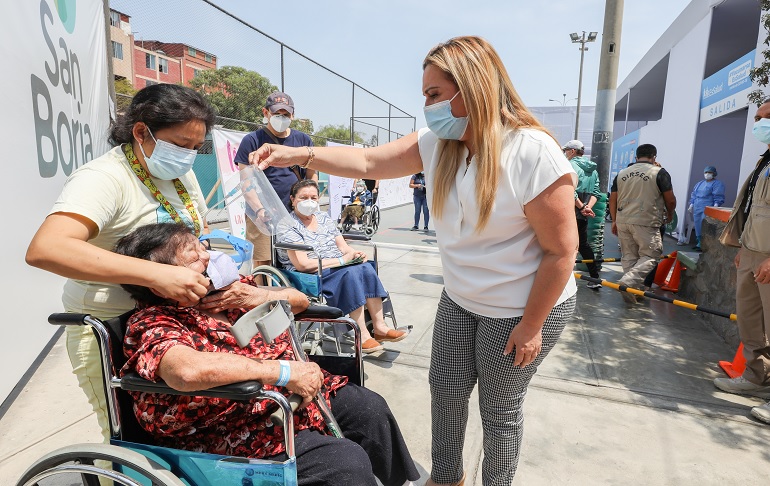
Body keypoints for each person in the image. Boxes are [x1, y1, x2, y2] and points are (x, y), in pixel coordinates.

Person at [248, 35, 578, 486]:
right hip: (462, 298)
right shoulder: (439, 144)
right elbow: (365, 160)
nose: (427, 106)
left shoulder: (531, 152)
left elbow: (561, 252)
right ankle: (445, 479)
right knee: (445, 391)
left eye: (435, 94)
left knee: (499, 410)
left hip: (523, 305)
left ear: (474, 88)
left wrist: (532, 326)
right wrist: (297, 153)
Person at [115, 223, 420, 486]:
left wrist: (256, 295)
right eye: (194, 257)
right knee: (343, 462)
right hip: (236, 425)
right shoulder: (154, 322)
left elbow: (299, 300)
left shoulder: (229, 291)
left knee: (370, 410)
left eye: (202, 247)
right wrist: (282, 372)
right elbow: (186, 370)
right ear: (162, 281)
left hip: (294, 397)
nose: (209, 257)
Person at [25, 84, 217, 443]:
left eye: (196, 148)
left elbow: (195, 232)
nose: (188, 156)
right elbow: (47, 249)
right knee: (132, 438)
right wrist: (157, 273)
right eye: (180, 145)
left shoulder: (181, 175)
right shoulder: (104, 179)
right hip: (112, 328)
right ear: (141, 132)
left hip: (170, 324)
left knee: (183, 431)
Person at [279, 180, 407, 353]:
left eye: (313, 197)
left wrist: (354, 254)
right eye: (303, 197)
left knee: (365, 267)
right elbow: (303, 264)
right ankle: (361, 334)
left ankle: (380, 327)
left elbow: (343, 246)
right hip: (312, 273)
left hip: (338, 264)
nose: (309, 201)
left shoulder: (323, 217)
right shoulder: (287, 224)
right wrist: (342, 261)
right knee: (350, 273)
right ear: (293, 199)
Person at [714, 100, 770, 425]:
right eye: (758, 118)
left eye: (765, 118)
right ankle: (757, 378)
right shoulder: (765, 160)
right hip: (752, 253)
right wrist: (744, 246)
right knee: (751, 322)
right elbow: (755, 208)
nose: (758, 123)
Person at [234, 91, 317, 269]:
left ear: (292, 115)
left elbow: (311, 174)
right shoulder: (252, 140)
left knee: (298, 257)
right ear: (266, 113)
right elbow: (246, 182)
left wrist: (311, 200)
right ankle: (265, 295)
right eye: (276, 114)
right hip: (264, 212)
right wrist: (260, 210)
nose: (281, 118)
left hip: (296, 210)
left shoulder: (303, 140)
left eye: (286, 114)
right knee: (263, 260)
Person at [609, 144, 676, 304]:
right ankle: (629, 281)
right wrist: (670, 214)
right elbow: (670, 199)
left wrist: (614, 220)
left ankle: (634, 291)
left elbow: (613, 198)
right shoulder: (659, 172)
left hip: (623, 219)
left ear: (636, 157)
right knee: (651, 254)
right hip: (646, 220)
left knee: (630, 256)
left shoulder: (622, 173)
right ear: (654, 157)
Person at [563, 140, 601, 289]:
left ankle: (561, 280)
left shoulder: (569, 165)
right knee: (583, 245)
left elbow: (568, 191)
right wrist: (587, 208)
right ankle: (594, 278)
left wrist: (581, 207)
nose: (565, 154)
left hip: (568, 212)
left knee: (563, 245)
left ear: (572, 151)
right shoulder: (593, 170)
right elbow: (596, 192)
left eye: (566, 151)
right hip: (583, 215)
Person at [688, 165, 726, 251]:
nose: (707, 174)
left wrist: (716, 205)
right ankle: (699, 243)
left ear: (714, 174)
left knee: (705, 225)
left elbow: (718, 195)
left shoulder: (717, 184)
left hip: (707, 207)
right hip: (697, 206)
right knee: (698, 225)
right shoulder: (700, 183)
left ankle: (705, 245)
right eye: (706, 172)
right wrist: (691, 204)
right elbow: (694, 194)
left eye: (709, 172)